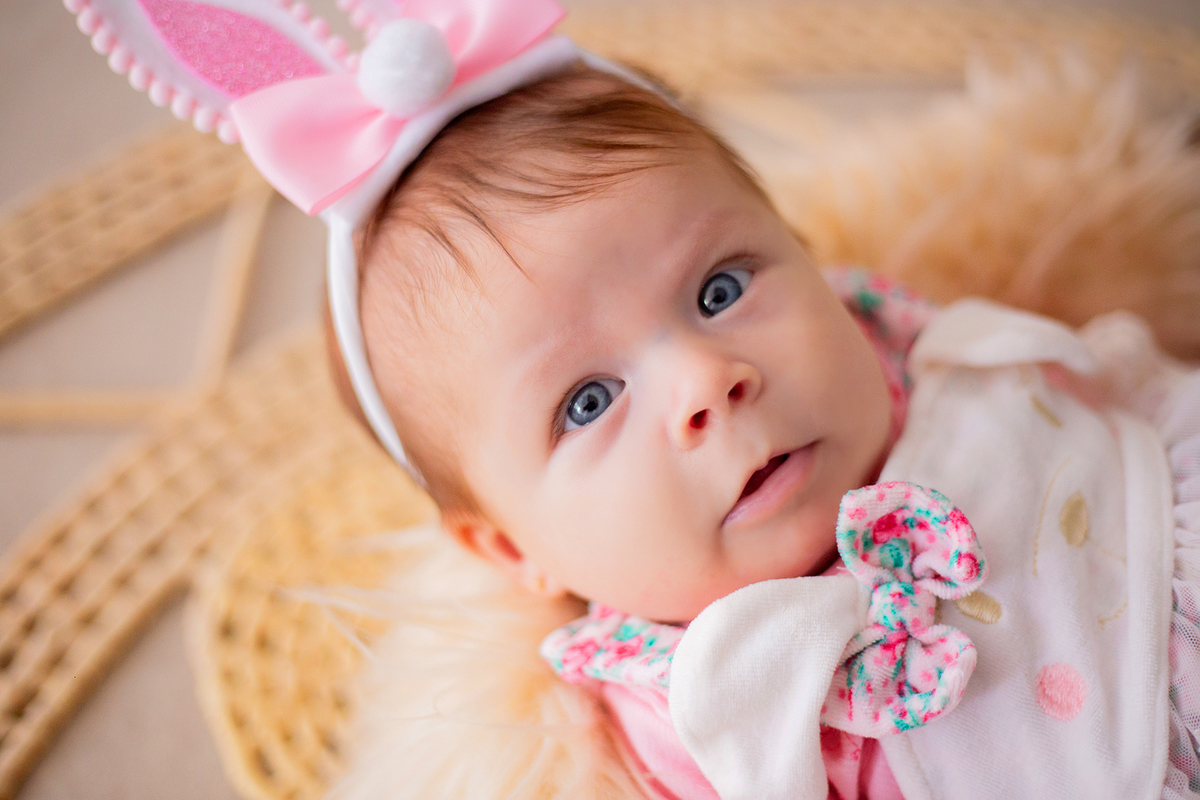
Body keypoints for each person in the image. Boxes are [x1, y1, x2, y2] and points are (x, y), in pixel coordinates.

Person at [72, 0, 1198, 795]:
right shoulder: (687, 716)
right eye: (586, 401)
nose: (708, 380)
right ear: (515, 548)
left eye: (721, 286)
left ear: (807, 256)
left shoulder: (924, 350)